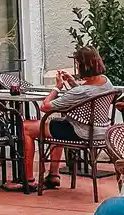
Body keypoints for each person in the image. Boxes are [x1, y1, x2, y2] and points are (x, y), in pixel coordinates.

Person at [26, 45, 111, 189]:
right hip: (100, 131)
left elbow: (45, 107)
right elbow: (85, 91)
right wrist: (72, 82)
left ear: (81, 66)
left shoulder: (80, 91)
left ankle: (28, 180)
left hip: (80, 132)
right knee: (56, 125)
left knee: (26, 127)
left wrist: (57, 87)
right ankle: (53, 175)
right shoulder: (105, 81)